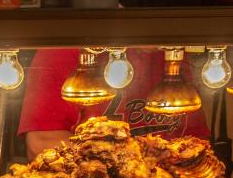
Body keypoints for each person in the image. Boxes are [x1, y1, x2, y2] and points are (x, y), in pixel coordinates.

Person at [18, 47, 211, 160]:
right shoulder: (63, 50)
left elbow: (195, 141)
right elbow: (42, 143)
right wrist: (129, 163)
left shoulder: (173, 53)